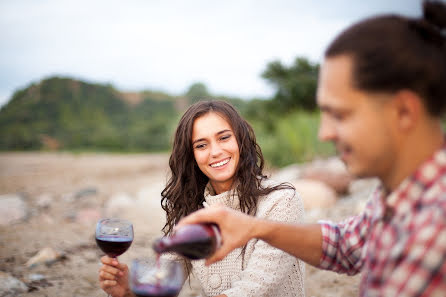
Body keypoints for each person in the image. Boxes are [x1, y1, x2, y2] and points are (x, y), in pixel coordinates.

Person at [177, 1, 446, 296]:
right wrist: (257, 229)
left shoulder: (434, 230)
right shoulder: (399, 195)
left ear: (404, 111)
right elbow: (345, 245)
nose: (324, 133)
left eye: (340, 114)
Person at [98, 100, 306, 297]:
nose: (215, 152)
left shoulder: (281, 202)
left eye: (224, 138)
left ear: (240, 141)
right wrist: (128, 291)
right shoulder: (194, 211)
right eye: (201, 145)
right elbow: (163, 283)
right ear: (192, 156)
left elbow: (255, 288)